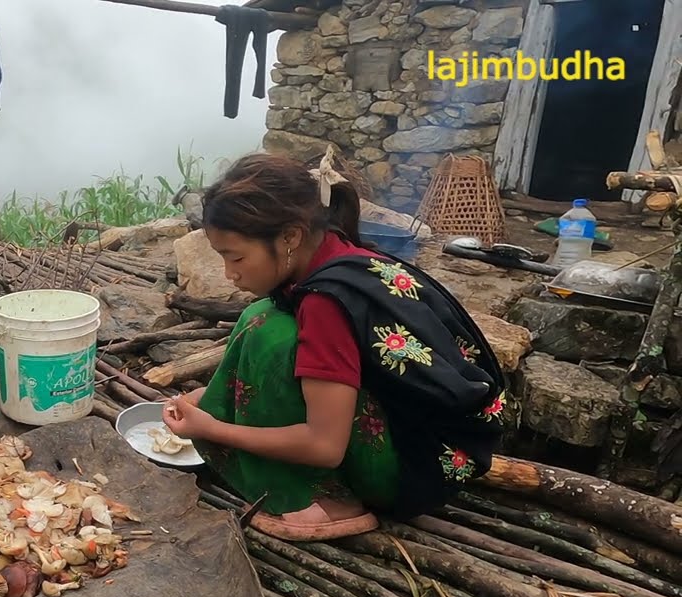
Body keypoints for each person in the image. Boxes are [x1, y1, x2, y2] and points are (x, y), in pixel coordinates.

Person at [162, 153, 506, 541]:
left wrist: (215, 429)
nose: (230, 273)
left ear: (291, 236)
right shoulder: (333, 252)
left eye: (237, 257)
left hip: (417, 466)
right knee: (264, 318)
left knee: (269, 337)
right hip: (435, 435)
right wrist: (214, 393)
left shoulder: (326, 304)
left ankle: (334, 502)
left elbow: (324, 446)